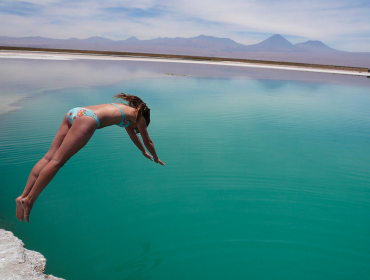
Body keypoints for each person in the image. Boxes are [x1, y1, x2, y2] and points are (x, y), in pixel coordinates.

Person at [16, 93, 165, 223]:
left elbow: (133, 137)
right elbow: (148, 141)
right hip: (88, 119)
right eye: (137, 129)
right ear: (142, 121)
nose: (135, 130)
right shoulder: (139, 119)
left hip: (76, 112)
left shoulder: (126, 110)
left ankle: (23, 196)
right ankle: (30, 200)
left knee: (49, 157)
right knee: (57, 162)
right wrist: (156, 157)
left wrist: (143, 152)